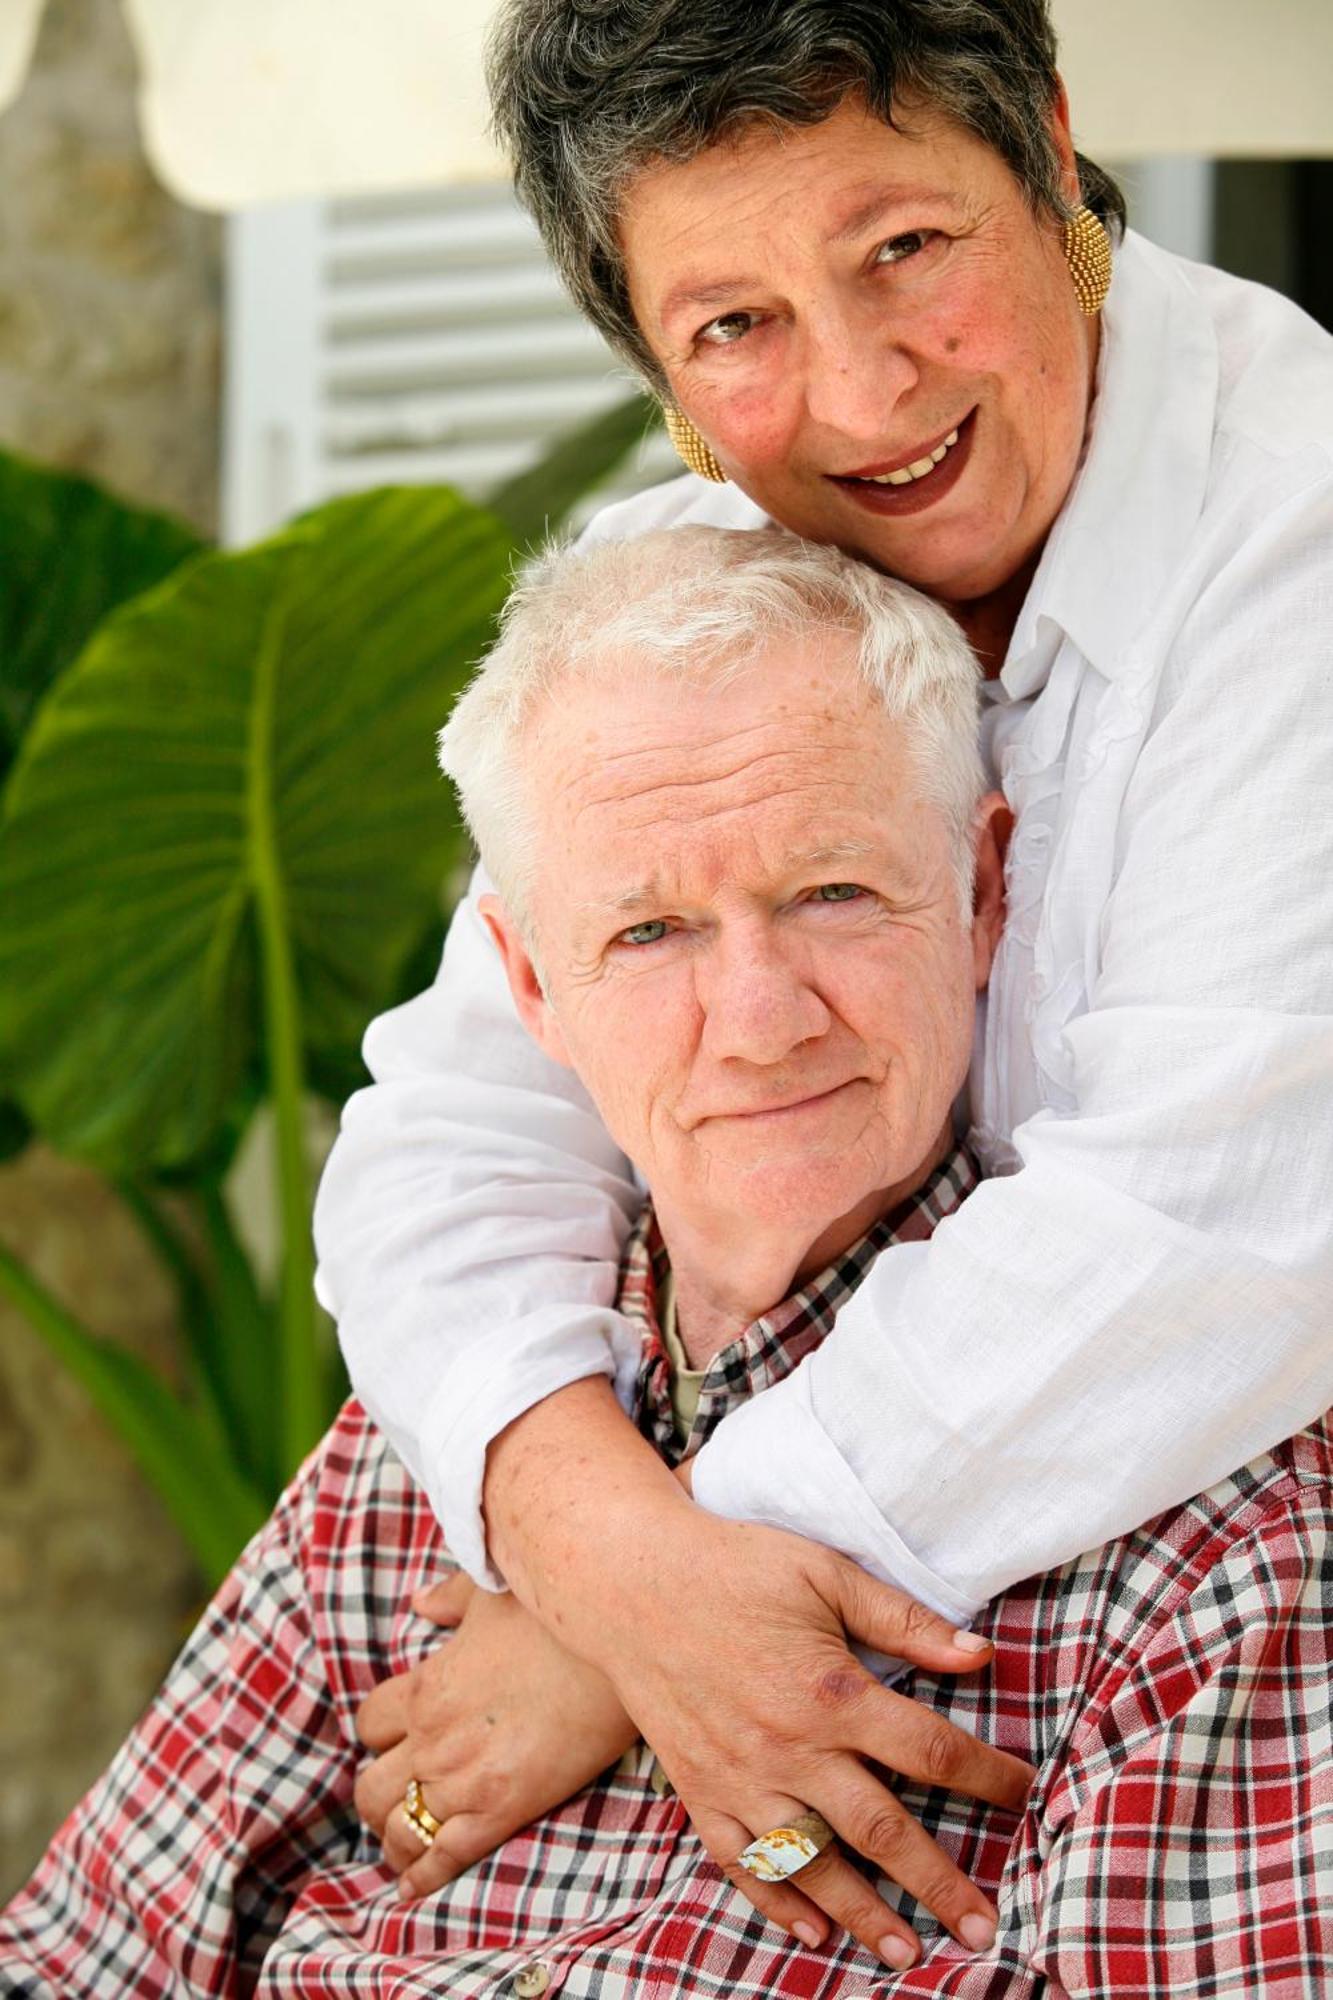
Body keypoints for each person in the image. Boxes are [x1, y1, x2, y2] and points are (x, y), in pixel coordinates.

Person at [313, 0, 1333, 1951]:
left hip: (1210, 1663)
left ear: (1043, 148)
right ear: (649, 357)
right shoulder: (707, 566)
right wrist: (582, 1533)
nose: (862, 398)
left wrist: (638, 1622)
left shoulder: (1301, 540)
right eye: (733, 325)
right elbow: (455, 1128)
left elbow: (1217, 1232)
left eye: (905, 250)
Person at [5, 530, 1327, 1999]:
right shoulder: (429, 1450)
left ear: (980, 894)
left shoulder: (1212, 1553)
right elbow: (78, 1958)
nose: (759, 1020)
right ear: (529, 990)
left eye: (831, 893)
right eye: (650, 932)